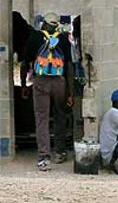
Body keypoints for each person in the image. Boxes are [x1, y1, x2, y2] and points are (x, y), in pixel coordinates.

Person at [20, 12, 74, 171]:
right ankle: (60, 152)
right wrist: (70, 92)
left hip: (41, 81)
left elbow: (25, 63)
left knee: (41, 119)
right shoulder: (64, 39)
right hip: (60, 83)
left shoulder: (35, 38)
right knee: (60, 116)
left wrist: (23, 85)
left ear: (44, 24)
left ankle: (44, 157)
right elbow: (69, 67)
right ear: (56, 25)